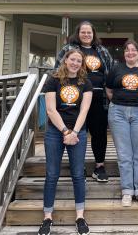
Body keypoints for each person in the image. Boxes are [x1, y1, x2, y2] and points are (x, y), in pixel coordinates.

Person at [38, 49, 93, 235]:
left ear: (81, 64)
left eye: (79, 60)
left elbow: (84, 111)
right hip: (55, 131)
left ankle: (80, 216)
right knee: (52, 174)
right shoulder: (53, 80)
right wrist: (65, 131)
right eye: (72, 59)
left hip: (78, 132)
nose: (75, 63)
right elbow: (51, 110)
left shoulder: (85, 83)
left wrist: (74, 132)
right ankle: (47, 217)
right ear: (65, 60)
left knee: (78, 174)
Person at [55, 21, 114, 182]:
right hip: (75, 98)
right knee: (78, 131)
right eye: (83, 32)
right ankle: (78, 167)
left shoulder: (101, 51)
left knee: (99, 134)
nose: (86, 35)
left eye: (89, 32)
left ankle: (99, 167)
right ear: (78, 33)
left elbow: (110, 72)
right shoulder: (69, 49)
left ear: (93, 34)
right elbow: (57, 71)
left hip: (99, 99)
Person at [106, 40, 138, 207]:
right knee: (124, 154)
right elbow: (109, 89)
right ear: (124, 53)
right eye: (127, 50)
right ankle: (127, 190)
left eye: (133, 50)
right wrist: (120, 101)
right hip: (118, 112)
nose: (130, 53)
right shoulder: (116, 69)